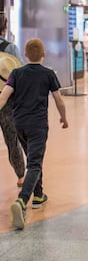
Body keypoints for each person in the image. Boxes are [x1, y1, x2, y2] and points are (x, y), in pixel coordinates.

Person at [0, 38, 68, 229]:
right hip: (37, 124)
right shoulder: (48, 74)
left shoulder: (16, 72)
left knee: (32, 157)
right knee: (35, 163)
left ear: (25, 54)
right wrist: (64, 118)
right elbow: (59, 100)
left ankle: (38, 195)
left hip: (18, 123)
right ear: (44, 54)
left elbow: (4, 96)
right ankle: (21, 201)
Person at [0, 15, 26, 188]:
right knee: (11, 139)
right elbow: (21, 73)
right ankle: (21, 175)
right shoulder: (10, 48)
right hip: (7, 97)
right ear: (4, 29)